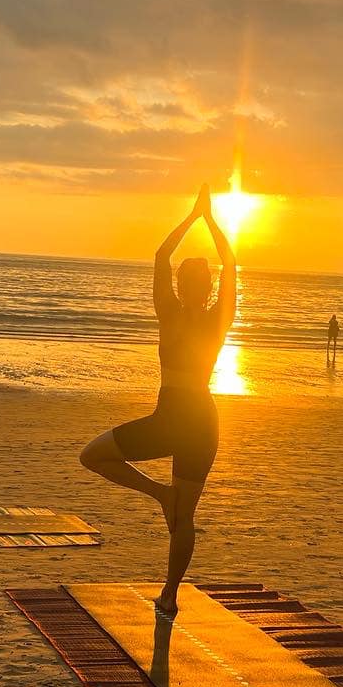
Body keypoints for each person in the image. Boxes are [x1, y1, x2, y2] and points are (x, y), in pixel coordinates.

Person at [79, 184, 236, 617]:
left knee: (176, 514)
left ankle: (170, 590)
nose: (188, 285)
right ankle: (168, 577)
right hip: (196, 420)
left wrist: (194, 217)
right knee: (98, 459)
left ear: (193, 286)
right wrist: (207, 219)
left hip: (182, 419)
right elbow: (222, 262)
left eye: (191, 280)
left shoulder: (174, 313)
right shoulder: (212, 317)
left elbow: (162, 257)